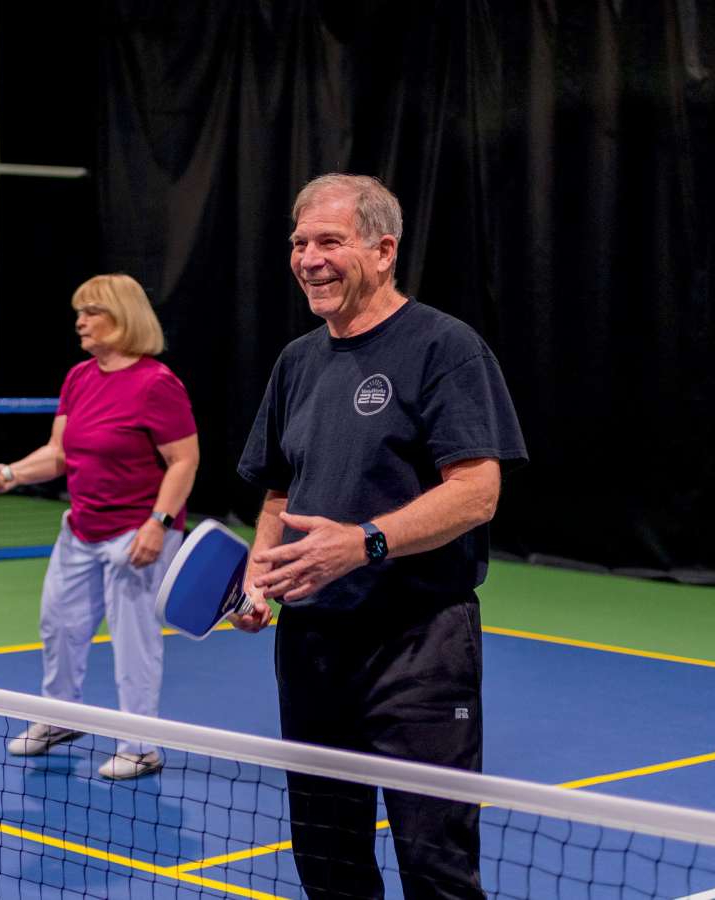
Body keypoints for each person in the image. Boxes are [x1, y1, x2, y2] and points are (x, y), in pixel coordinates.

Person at [234, 173, 526, 898]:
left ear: (383, 249)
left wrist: (361, 542)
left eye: (329, 241)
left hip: (418, 647)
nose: (308, 258)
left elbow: (477, 492)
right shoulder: (297, 362)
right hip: (310, 647)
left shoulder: (445, 347)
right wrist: (259, 573)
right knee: (328, 860)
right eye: (299, 243)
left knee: (436, 865)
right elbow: (278, 491)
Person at [0, 273, 199, 780]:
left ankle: (141, 744)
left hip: (136, 534)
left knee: (134, 642)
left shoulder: (157, 384)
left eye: (92, 311)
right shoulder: (79, 377)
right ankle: (61, 719)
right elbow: (58, 454)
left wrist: (158, 524)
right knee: (59, 626)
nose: (80, 321)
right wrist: (10, 474)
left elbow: (184, 461)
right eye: (79, 312)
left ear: (123, 317)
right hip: (80, 529)